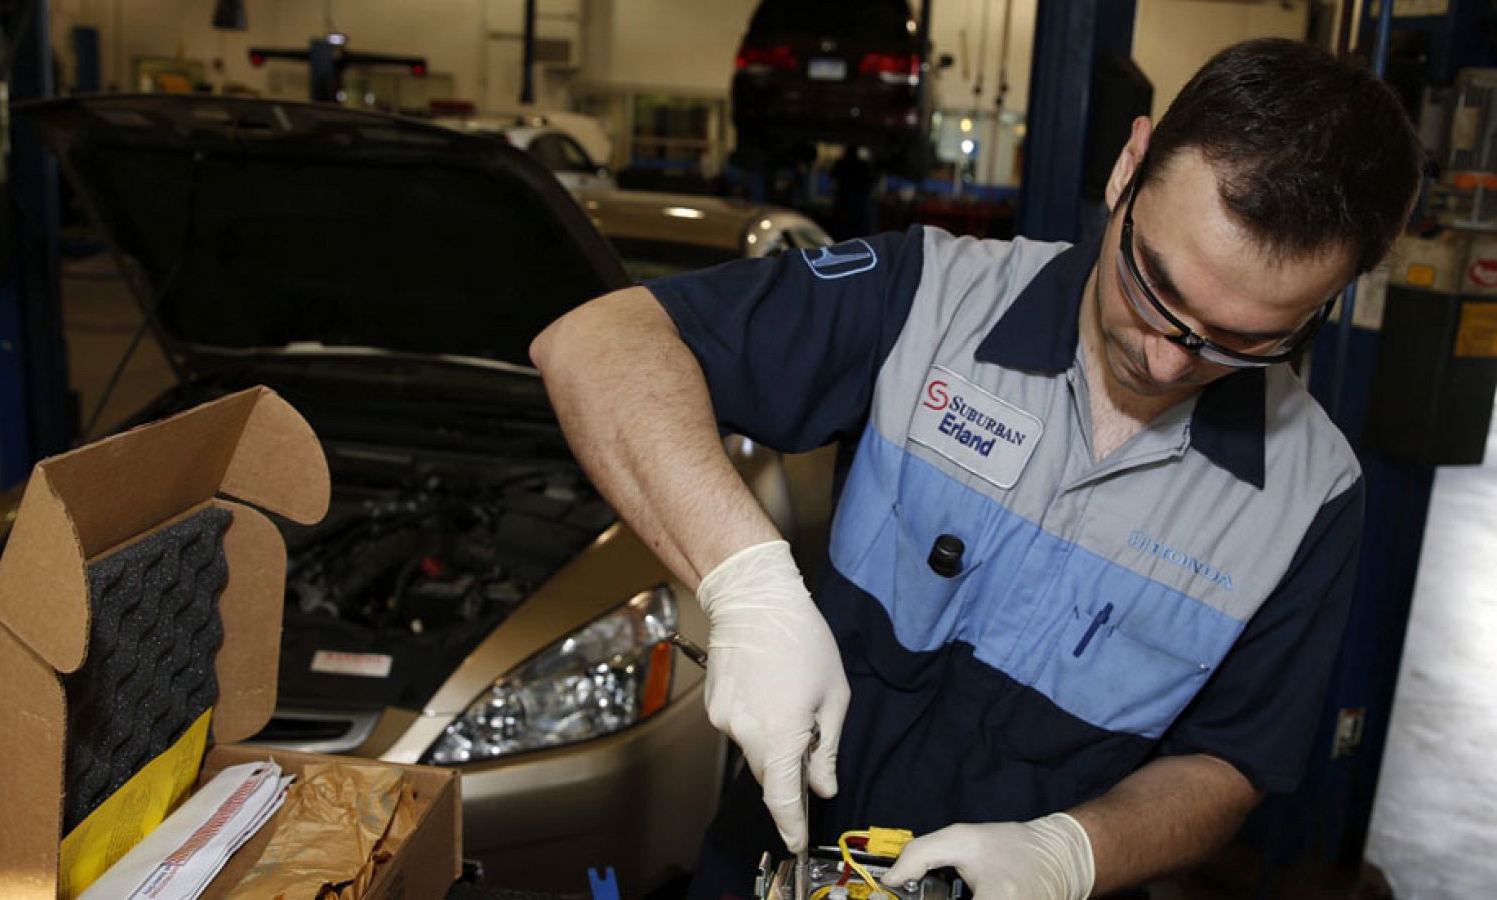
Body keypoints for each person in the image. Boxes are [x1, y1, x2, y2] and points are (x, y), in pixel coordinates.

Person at [531, 38, 1422, 900]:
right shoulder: (928, 299)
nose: (1167, 360)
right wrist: (747, 581)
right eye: (1157, 286)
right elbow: (596, 345)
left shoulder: (1314, 497)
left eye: (1245, 341)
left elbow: (1231, 761)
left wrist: (1072, 855)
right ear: (1129, 167)